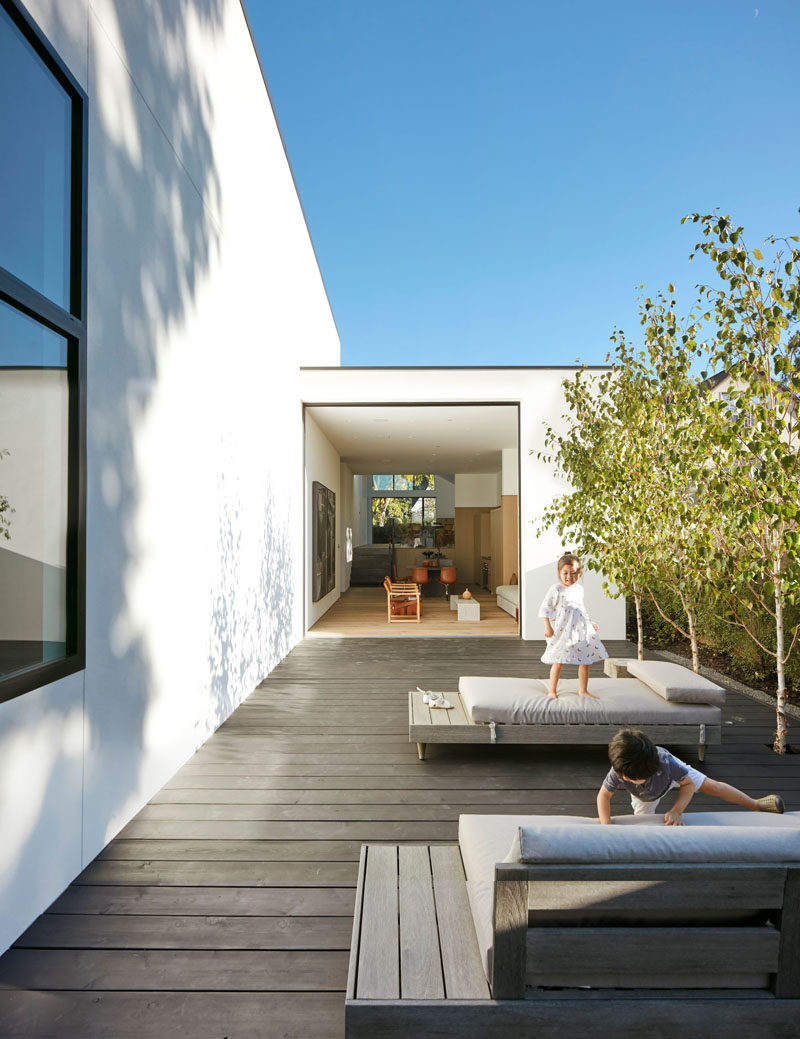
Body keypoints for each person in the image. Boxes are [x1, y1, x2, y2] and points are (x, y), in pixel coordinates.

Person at [597, 728, 785, 824]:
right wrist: (606, 825)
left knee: (714, 787)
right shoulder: (621, 769)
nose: (626, 780)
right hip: (645, 795)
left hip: (671, 777)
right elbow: (603, 796)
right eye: (625, 777)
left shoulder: (666, 763)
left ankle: (755, 804)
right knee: (645, 821)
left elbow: (687, 786)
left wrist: (677, 811)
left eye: (631, 778)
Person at [538, 552, 608, 698]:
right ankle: (552, 691)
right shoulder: (556, 589)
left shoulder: (579, 589)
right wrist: (547, 627)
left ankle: (583, 690)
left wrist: (590, 622)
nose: (569, 577)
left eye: (574, 573)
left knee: (585, 660)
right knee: (558, 661)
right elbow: (545, 608)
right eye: (565, 573)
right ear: (559, 573)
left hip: (580, 631)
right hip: (562, 632)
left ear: (579, 573)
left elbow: (581, 608)